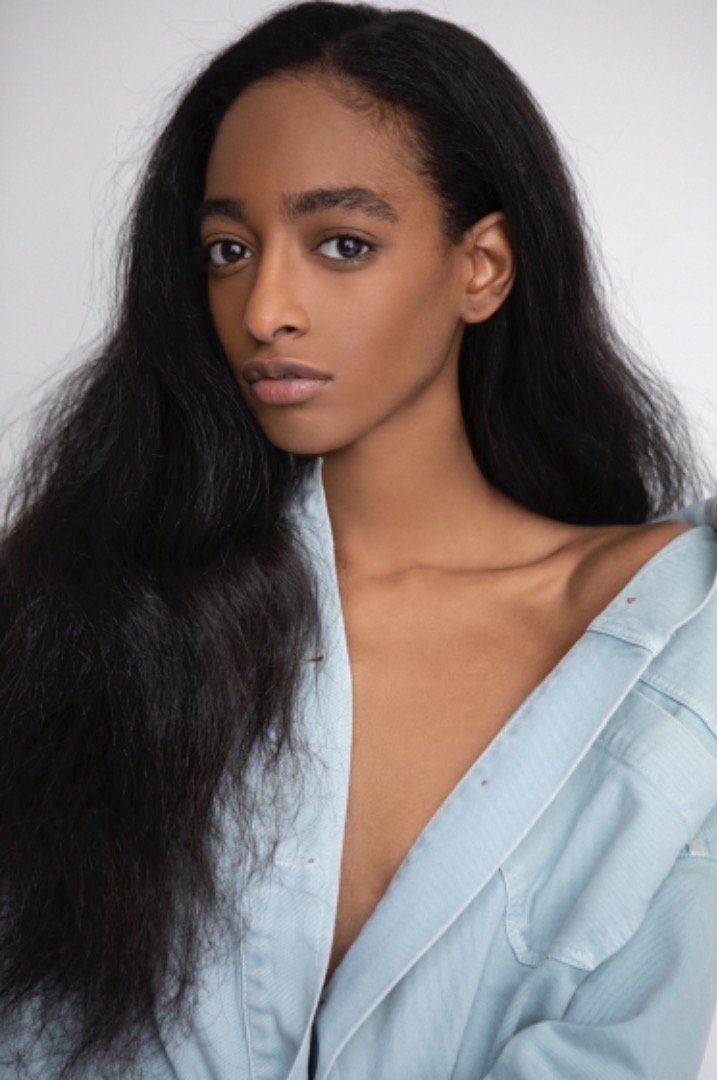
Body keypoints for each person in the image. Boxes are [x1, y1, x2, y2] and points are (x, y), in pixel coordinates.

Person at [1, 2, 716, 1077]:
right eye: (228, 250)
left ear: (482, 267)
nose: (264, 310)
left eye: (343, 243)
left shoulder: (679, 643)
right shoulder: (98, 607)